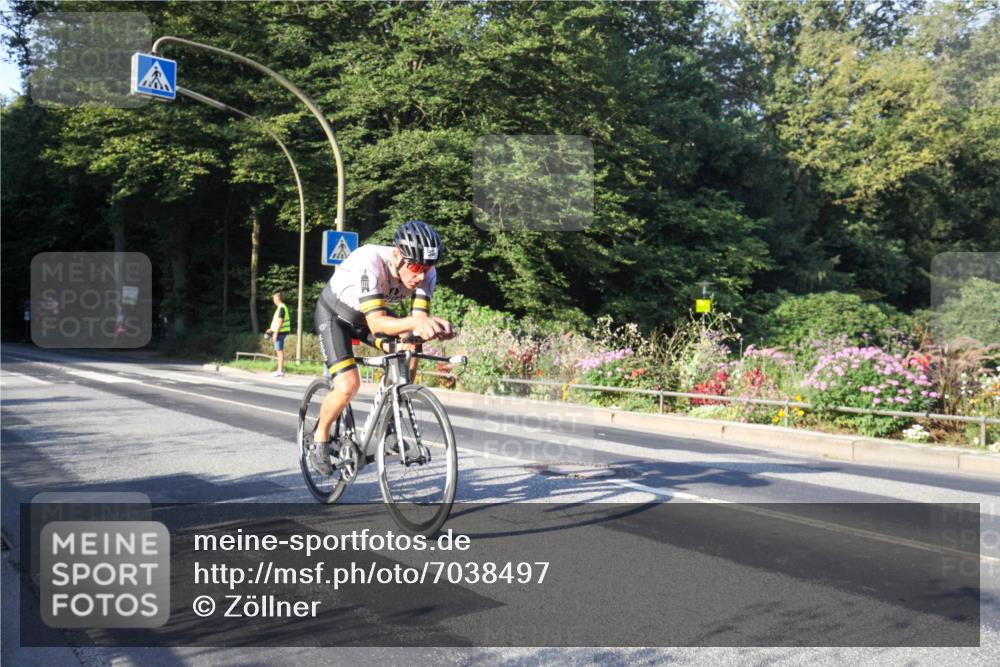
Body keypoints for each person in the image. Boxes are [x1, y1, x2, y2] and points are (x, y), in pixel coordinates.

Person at [309, 220, 455, 474]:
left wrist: (433, 329)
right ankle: (319, 438)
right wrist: (418, 323)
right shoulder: (370, 262)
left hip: (366, 318)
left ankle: (389, 422)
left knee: (410, 346)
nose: (421, 275)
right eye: (415, 267)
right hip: (335, 316)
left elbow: (418, 321)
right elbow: (377, 324)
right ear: (397, 255)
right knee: (348, 385)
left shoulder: (426, 275)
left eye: (428, 267)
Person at [265, 291, 291, 377]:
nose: (273, 301)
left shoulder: (281, 308)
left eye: (274, 299)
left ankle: (280, 371)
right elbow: (277, 322)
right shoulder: (281, 307)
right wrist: (271, 329)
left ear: (277, 298)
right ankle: (279, 370)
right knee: (278, 350)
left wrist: (275, 332)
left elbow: (280, 321)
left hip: (280, 332)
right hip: (279, 331)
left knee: (279, 351)